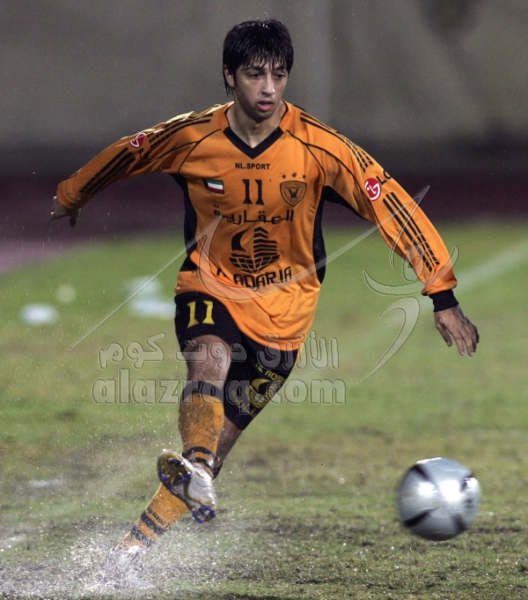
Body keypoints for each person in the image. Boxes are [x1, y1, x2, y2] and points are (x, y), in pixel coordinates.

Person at [51, 18, 479, 588]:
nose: (269, 88)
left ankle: (129, 553)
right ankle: (193, 467)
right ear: (229, 76)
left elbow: (391, 205)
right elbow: (130, 153)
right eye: (255, 74)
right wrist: (72, 194)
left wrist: (441, 292)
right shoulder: (192, 137)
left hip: (285, 320)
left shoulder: (320, 149)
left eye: (279, 75)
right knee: (208, 359)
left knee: (214, 453)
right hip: (211, 285)